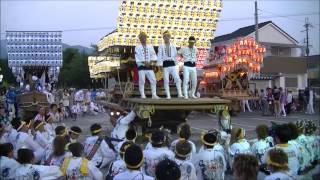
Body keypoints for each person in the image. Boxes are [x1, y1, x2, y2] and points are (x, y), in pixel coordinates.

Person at [157, 30, 183, 99]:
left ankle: (180, 94)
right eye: (165, 37)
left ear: (169, 37)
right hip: (165, 65)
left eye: (168, 36)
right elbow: (159, 56)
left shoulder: (173, 46)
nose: (166, 38)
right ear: (163, 38)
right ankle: (168, 95)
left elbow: (175, 56)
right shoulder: (161, 46)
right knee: (166, 80)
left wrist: (177, 64)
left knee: (177, 79)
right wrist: (160, 66)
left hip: (172, 64)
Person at [135, 31, 160, 99]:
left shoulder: (150, 46)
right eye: (142, 37)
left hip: (149, 66)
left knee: (153, 80)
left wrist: (150, 62)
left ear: (146, 38)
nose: (143, 39)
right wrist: (144, 63)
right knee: (142, 80)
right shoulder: (137, 47)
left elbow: (153, 55)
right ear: (140, 39)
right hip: (141, 67)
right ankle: (142, 94)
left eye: (144, 37)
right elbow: (138, 57)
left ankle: (154, 95)